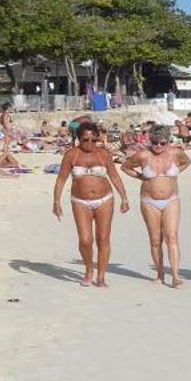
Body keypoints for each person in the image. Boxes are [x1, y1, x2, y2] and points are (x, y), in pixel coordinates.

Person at [53, 121, 129, 287]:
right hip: (80, 201)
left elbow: (114, 176)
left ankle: (101, 276)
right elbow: (61, 179)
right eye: (85, 140)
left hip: (105, 200)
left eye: (94, 140)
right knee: (85, 240)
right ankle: (89, 269)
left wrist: (124, 198)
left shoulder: (104, 154)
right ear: (79, 139)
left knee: (103, 239)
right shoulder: (71, 155)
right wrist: (56, 202)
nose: (90, 144)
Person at [125, 124, 191, 287]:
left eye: (162, 143)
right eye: (154, 142)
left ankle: (175, 276)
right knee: (155, 239)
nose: (158, 146)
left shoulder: (176, 153)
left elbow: (187, 162)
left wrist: (175, 174)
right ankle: (160, 274)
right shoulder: (142, 155)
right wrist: (140, 176)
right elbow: (125, 167)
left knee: (172, 237)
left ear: (168, 141)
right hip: (149, 202)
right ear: (150, 140)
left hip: (171, 200)